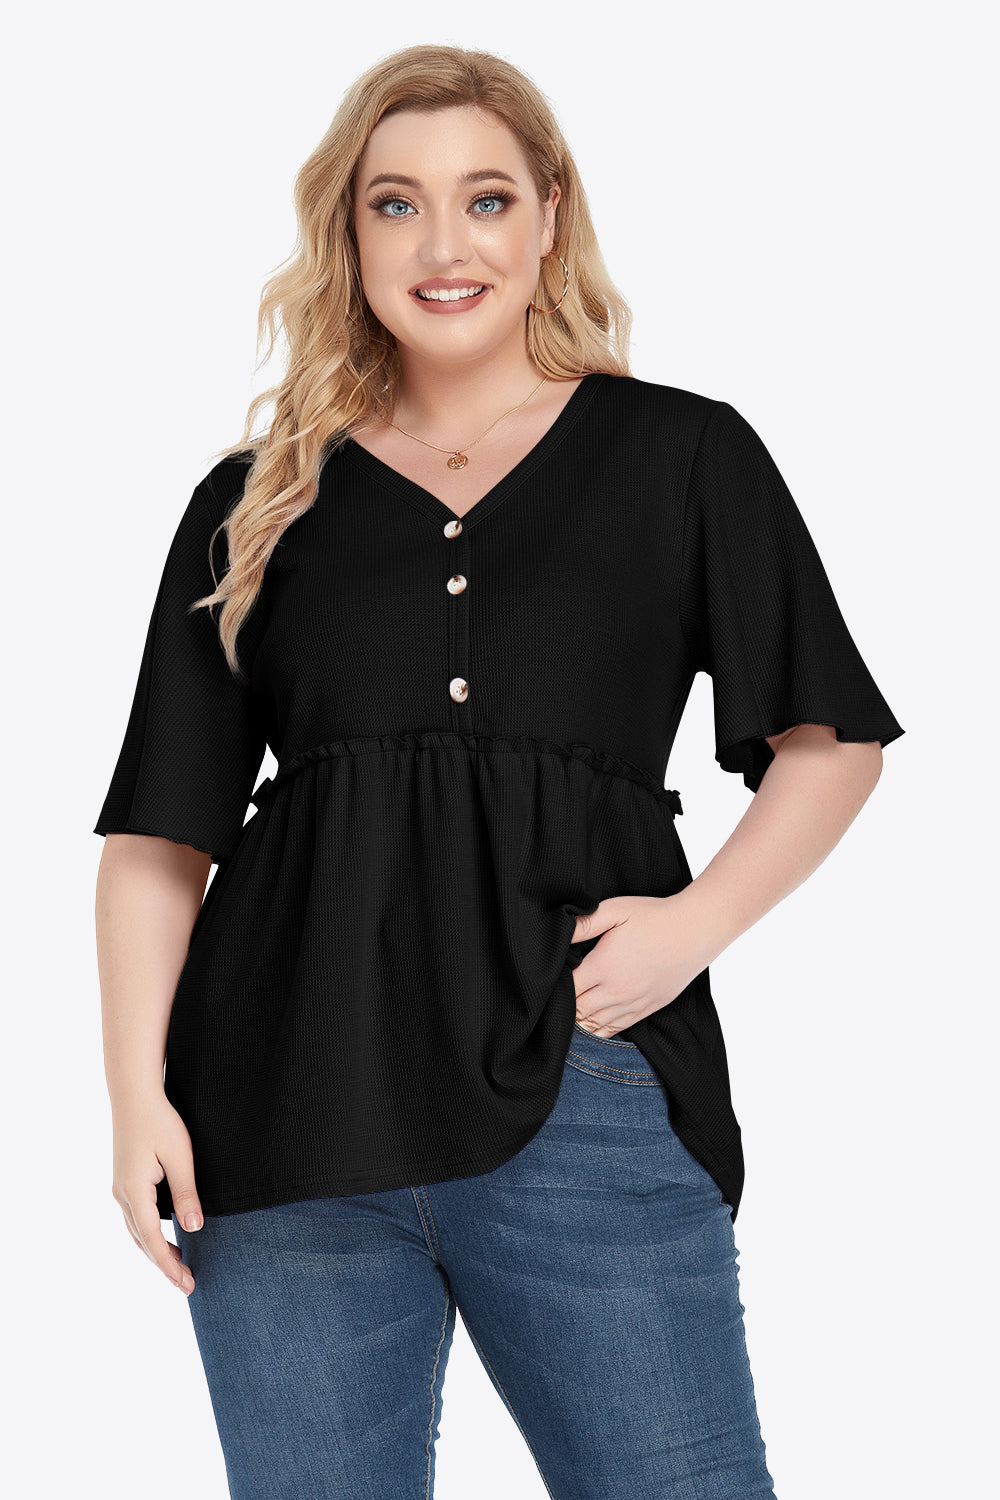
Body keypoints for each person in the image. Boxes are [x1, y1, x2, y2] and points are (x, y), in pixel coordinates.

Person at [93, 43, 904, 1500]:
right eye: (395, 205)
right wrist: (135, 1100)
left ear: (548, 219)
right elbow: (160, 838)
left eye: (484, 199)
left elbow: (830, 740)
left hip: (582, 1086)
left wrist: (694, 927)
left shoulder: (680, 456)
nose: (443, 245)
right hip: (282, 1110)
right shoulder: (257, 499)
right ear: (348, 235)